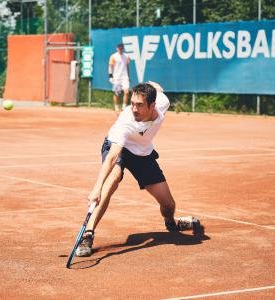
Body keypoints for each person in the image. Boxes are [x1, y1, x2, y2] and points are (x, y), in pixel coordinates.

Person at [75, 82, 199, 257]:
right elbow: (112, 156)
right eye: (132, 103)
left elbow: (158, 89)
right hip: (118, 148)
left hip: (142, 154)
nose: (134, 108)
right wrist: (97, 188)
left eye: (139, 105)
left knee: (168, 204)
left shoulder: (162, 102)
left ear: (152, 105)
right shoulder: (126, 122)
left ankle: (172, 223)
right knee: (114, 179)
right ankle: (88, 234)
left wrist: (151, 84)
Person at [109, 43, 130, 112]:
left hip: (125, 77)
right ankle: (116, 107)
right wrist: (110, 76)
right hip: (116, 78)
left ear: (123, 48)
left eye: (121, 48)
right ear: (117, 48)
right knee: (116, 93)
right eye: (119, 48)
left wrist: (128, 76)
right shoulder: (113, 56)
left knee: (126, 92)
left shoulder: (126, 56)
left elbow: (127, 67)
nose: (120, 49)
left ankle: (124, 107)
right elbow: (110, 67)